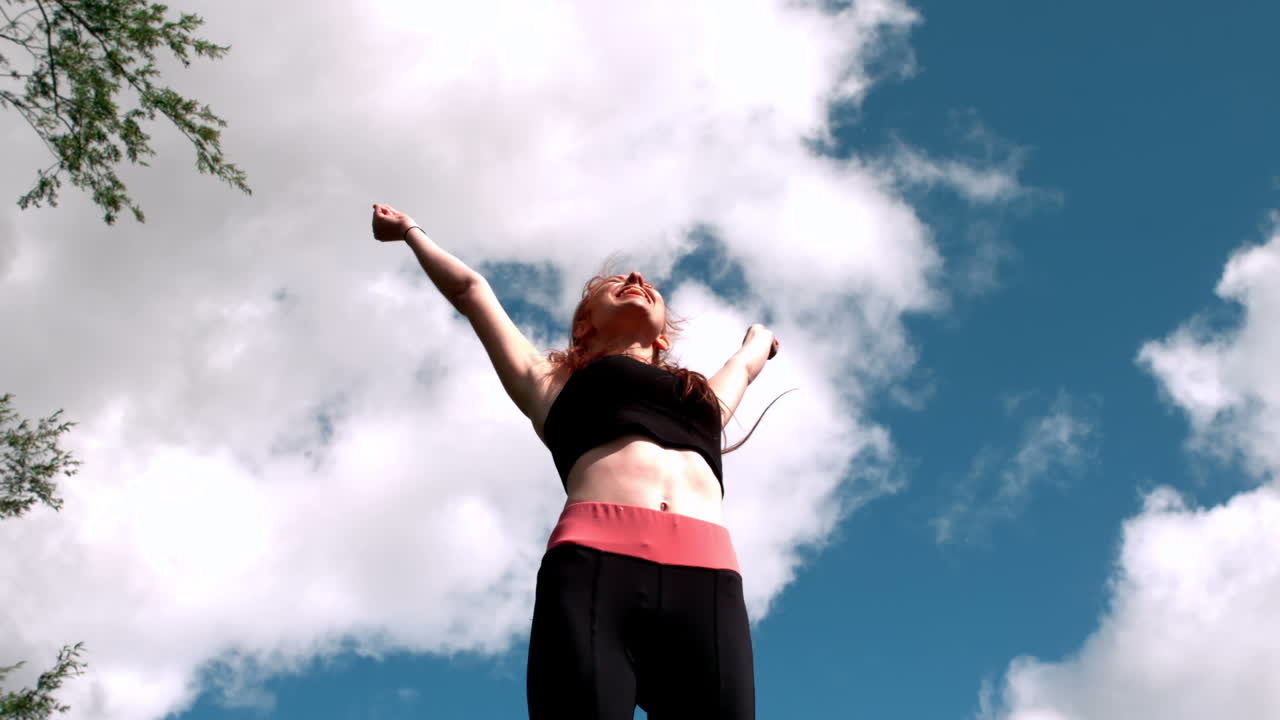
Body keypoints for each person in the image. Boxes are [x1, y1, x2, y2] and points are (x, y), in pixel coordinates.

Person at [372, 203, 781, 719]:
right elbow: (472, 291)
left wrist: (760, 338)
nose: (636, 278)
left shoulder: (701, 401)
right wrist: (409, 231)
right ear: (583, 327)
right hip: (595, 571)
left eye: (646, 284)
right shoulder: (550, 385)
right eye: (614, 284)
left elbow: (744, 365)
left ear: (662, 337)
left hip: (708, 580)